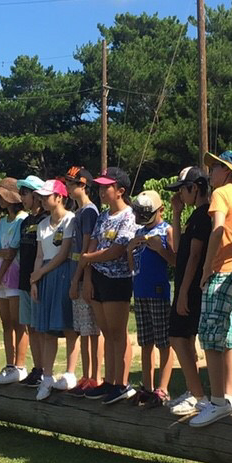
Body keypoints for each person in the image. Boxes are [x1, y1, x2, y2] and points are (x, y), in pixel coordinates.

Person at [190, 149, 232, 427]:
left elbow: (217, 229)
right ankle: (231, 397)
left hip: (220, 270)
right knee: (227, 337)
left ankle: (216, 401)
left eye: (215, 167)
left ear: (228, 172)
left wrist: (206, 268)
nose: (210, 172)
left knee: (210, 336)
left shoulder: (221, 194)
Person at [82, 167, 138, 403]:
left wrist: (87, 259)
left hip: (118, 281)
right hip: (98, 279)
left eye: (107, 187)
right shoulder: (103, 216)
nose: (102, 190)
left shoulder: (130, 216)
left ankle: (121, 383)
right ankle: (110, 381)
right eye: (101, 186)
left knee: (118, 333)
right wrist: (87, 277)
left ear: (120, 191)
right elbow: (93, 244)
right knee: (107, 332)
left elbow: (116, 251)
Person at [166, 166, 212, 418]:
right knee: (184, 339)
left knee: (178, 337)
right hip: (185, 286)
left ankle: (198, 395)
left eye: (182, 190)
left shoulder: (205, 216)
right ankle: (193, 391)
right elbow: (177, 249)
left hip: (192, 288)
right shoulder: (194, 216)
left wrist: (183, 292)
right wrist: (176, 213)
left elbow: (195, 256)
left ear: (195, 188)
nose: (180, 195)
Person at [28, 179, 79, 400]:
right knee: (47, 329)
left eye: (47, 196)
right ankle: (46, 377)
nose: (42, 199)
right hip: (46, 275)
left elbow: (64, 253)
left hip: (63, 272)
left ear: (59, 197)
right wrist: (34, 281)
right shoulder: (42, 224)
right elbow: (40, 254)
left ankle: (70, 373)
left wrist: (40, 273)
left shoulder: (70, 220)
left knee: (68, 326)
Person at [128, 190, 175, 406]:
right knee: (145, 341)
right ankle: (147, 386)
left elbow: (175, 262)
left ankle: (163, 388)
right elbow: (133, 267)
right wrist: (130, 251)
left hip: (158, 291)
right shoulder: (138, 231)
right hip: (140, 291)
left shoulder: (167, 230)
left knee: (164, 342)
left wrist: (161, 249)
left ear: (160, 210)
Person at [64, 166, 103, 394]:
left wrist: (80, 278)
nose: (68, 187)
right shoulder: (79, 212)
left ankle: (94, 376)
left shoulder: (89, 212)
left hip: (84, 274)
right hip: (76, 272)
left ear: (83, 185)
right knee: (83, 330)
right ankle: (86, 375)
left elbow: (88, 246)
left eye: (71, 183)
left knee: (91, 331)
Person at [0, 177, 29, 384]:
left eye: (4, 195)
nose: (0, 199)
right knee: (6, 323)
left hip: (13, 273)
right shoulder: (2, 221)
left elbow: (12, 251)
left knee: (18, 322)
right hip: (0, 273)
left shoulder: (23, 219)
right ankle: (10, 363)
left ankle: (20, 365)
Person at [14, 176, 47, 388]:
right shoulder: (25, 221)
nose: (22, 197)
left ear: (36, 195)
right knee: (30, 327)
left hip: (41, 279)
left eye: (25, 193)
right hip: (24, 280)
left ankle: (46, 369)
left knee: (41, 327)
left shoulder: (46, 218)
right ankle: (37, 368)